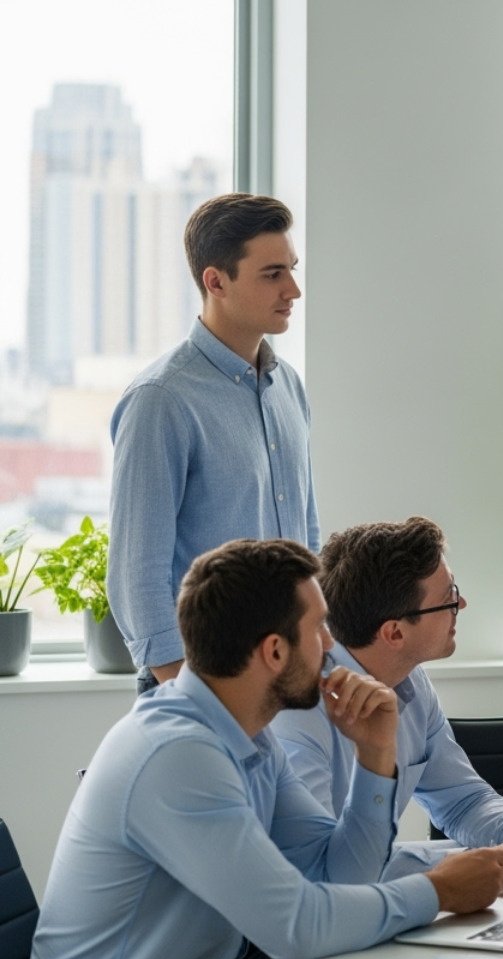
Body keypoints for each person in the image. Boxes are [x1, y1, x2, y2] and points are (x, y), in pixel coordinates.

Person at [21, 539, 503, 959]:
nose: (332, 645)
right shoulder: (178, 754)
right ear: (274, 651)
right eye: (319, 628)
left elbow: (341, 875)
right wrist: (438, 891)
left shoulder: (251, 742)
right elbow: (296, 926)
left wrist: (375, 754)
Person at [243, 517, 503, 959]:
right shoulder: (294, 713)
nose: (462, 604)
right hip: (268, 955)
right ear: (394, 631)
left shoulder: (413, 687)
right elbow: (325, 873)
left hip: (361, 921)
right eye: (450, 596)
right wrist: (472, 871)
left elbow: (462, 799)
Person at [107, 193, 318, 696]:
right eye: (272, 274)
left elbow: (306, 537)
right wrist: (193, 698)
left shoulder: (288, 386)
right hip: (200, 688)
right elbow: (137, 576)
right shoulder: (161, 400)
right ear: (215, 281)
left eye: (292, 268)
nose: (294, 289)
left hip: (284, 681)